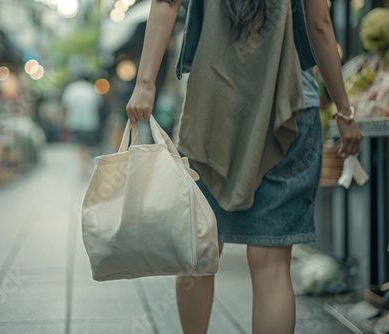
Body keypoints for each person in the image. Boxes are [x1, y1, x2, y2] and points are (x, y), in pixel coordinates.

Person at [126, 0, 363, 333]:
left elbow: (166, 3)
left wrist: (145, 83)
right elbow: (320, 25)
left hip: (214, 108)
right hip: (289, 109)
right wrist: (344, 111)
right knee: (271, 263)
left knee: (200, 251)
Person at [60, 73, 103, 175]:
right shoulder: (92, 89)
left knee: (80, 144)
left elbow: (65, 107)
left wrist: (64, 122)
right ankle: (86, 163)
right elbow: (99, 106)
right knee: (87, 144)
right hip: (90, 122)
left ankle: (84, 165)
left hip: (75, 121)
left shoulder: (71, 89)